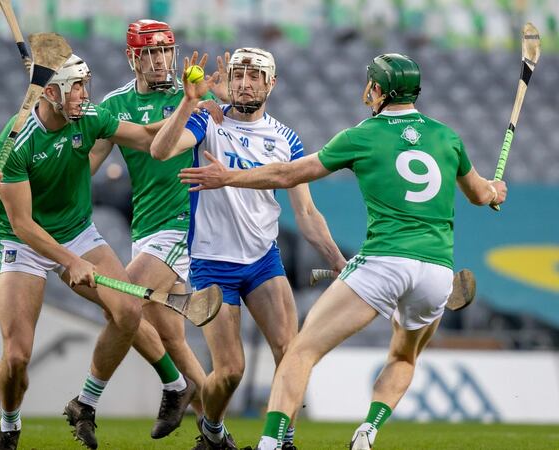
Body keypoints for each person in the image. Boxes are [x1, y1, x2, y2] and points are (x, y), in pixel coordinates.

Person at [178, 53, 508, 450]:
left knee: (298, 352)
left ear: (381, 90)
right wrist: (493, 189)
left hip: (385, 261)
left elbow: (287, 174)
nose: (366, 89)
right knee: (403, 358)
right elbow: (480, 194)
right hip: (438, 272)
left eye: (371, 82)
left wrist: (227, 176)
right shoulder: (448, 137)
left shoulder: (361, 135)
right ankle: (368, 432)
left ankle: (270, 445)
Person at [0, 54, 194, 450]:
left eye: (86, 84)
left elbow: (148, 138)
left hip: (78, 231)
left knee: (128, 310)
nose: (85, 94)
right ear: (51, 92)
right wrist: (70, 261)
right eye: (76, 86)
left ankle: (166, 387)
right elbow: (22, 224)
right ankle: (9, 426)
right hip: (24, 243)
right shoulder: (15, 140)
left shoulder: (90, 117)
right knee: (17, 356)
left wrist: (191, 106)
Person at [151, 48, 346, 450]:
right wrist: (188, 103)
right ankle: (213, 432)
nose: (244, 82)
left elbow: (307, 214)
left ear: (271, 84)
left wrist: (339, 262)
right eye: (238, 75)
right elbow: (160, 150)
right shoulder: (208, 121)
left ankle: (284, 440)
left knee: (290, 352)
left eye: (255, 76)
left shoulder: (286, 139)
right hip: (211, 262)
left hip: (263, 261)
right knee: (230, 371)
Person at [90, 19, 224, 421]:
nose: (159, 61)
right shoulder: (114, 105)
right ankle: (215, 431)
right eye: (149, 52)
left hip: (185, 221)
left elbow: (164, 140)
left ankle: (91, 400)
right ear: (132, 58)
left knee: (121, 300)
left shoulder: (192, 98)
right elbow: (87, 167)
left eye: (165, 51)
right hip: (145, 227)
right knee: (173, 339)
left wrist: (204, 102)